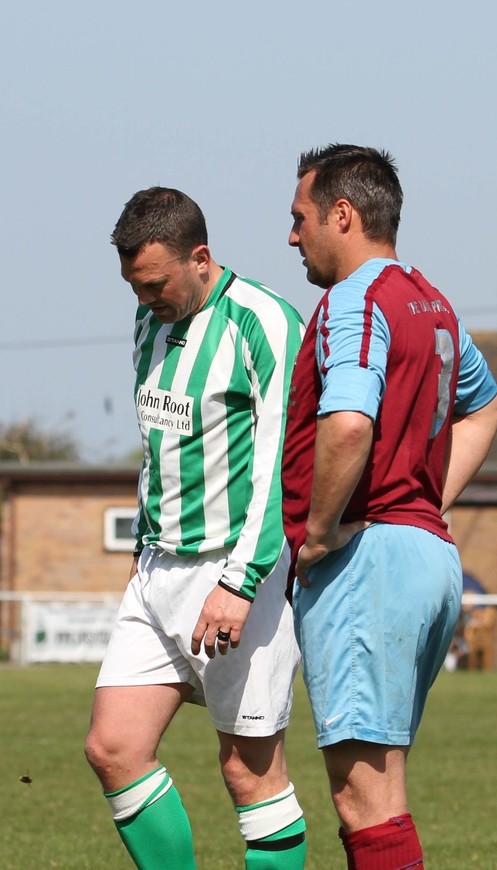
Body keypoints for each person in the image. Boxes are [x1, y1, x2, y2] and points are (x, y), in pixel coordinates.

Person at [282, 144, 497, 868]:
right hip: (423, 555)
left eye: (300, 218)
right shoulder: (429, 300)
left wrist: (316, 533)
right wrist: (424, 502)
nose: (292, 237)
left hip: (368, 565)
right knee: (377, 792)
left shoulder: (355, 300)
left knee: (364, 801)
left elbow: (349, 422)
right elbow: (484, 404)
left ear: (341, 215)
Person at [84, 188, 308, 868]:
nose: (146, 299)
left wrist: (239, 583)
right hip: (158, 567)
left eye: (155, 284)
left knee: (248, 772)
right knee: (114, 748)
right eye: (135, 287)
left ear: (200, 257)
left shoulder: (264, 322)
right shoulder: (148, 322)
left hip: (238, 571)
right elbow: (156, 445)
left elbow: (280, 465)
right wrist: (140, 546)